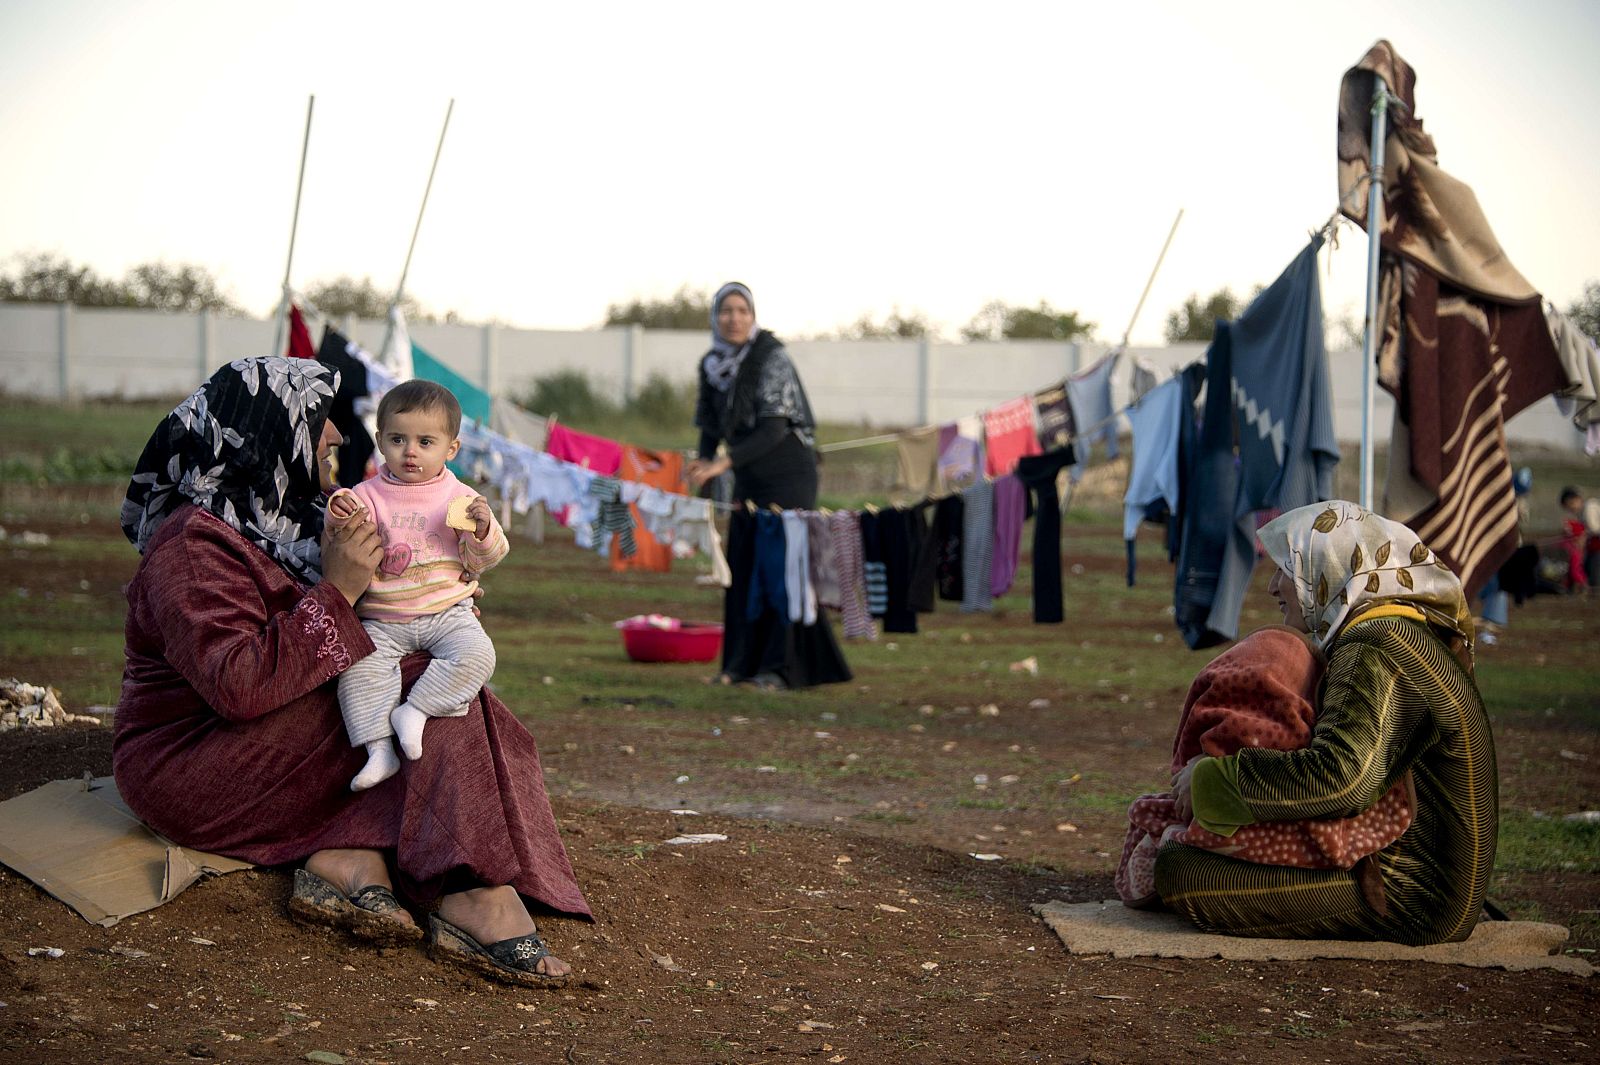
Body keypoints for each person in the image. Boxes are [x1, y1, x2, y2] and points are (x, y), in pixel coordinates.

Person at [114, 357, 587, 986]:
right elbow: (237, 685)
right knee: (423, 687)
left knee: (436, 676)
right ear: (265, 432)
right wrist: (339, 589)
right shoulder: (191, 549)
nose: (337, 434)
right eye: (317, 419)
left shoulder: (291, 520)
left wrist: (433, 591)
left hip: (273, 734)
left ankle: (347, 854)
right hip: (193, 762)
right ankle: (471, 887)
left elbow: (369, 617)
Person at [1157, 500, 1497, 946]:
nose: (1274, 587)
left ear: (1328, 572)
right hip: (1425, 880)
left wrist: (1215, 780)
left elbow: (1343, 779)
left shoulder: (1374, 648)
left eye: (1288, 570)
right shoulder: (1397, 632)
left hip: (1415, 898)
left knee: (1180, 866)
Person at [326, 379, 507, 792]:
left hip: (447, 612)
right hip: (383, 618)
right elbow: (342, 532)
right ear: (379, 441)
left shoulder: (460, 498)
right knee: (358, 670)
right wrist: (338, 513)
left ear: (451, 449)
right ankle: (378, 750)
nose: (410, 451)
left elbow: (482, 561)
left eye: (426, 442)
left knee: (478, 655)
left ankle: (417, 712)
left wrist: (482, 531)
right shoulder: (367, 494)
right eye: (397, 439)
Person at [686, 282, 850, 689]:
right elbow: (709, 426)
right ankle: (737, 666)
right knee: (741, 566)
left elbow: (774, 429)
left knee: (781, 568)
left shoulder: (771, 357)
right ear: (715, 317)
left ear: (753, 315)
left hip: (788, 473)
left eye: (742, 310)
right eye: (726, 310)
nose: (734, 318)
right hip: (749, 474)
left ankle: (779, 668)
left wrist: (722, 463)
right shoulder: (712, 364)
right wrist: (701, 466)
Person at [1558, 486, 1590, 594]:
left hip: (1575, 551)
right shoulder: (1574, 518)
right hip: (1570, 551)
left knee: (1575, 569)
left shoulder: (1586, 513)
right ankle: (1569, 586)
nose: (1570, 508)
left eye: (1571, 504)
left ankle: (1583, 585)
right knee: (1570, 569)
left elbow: (1584, 535)